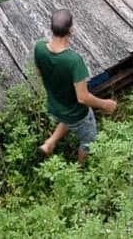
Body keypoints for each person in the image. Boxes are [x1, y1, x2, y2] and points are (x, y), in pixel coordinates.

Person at [35, 9, 118, 164]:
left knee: (66, 117)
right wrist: (105, 104)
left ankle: (49, 143)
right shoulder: (74, 61)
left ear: (51, 28)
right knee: (89, 141)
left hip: (54, 107)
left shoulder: (39, 47)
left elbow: (39, 73)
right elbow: (82, 98)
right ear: (71, 30)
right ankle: (80, 170)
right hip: (77, 114)